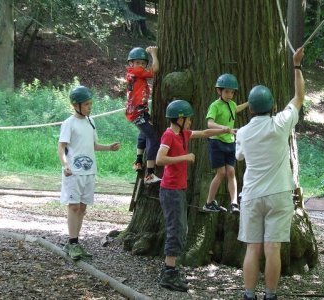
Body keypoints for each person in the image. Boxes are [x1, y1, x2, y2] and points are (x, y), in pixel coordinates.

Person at [235, 47, 305, 300]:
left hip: (252, 195)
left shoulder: (242, 132)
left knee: (252, 248)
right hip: (278, 195)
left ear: (250, 109)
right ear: (273, 105)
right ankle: (271, 295)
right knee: (272, 248)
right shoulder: (281, 123)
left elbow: (239, 156)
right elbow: (299, 97)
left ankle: (249, 295)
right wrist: (296, 66)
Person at [156, 100, 232, 292]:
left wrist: (225, 130)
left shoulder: (183, 134)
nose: (191, 122)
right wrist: (185, 157)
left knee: (181, 229)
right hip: (170, 191)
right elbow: (159, 159)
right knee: (176, 229)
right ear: (179, 118)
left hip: (178, 190)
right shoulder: (169, 135)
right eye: (188, 119)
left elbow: (205, 133)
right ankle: (168, 273)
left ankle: (170, 271)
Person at [58, 85, 120, 260]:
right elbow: (61, 147)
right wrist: (65, 165)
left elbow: (93, 146)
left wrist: (109, 148)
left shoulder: (90, 122)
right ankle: (72, 243)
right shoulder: (68, 123)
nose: (89, 107)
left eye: (90, 104)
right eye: (86, 104)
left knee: (83, 207)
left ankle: (76, 242)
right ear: (75, 105)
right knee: (74, 206)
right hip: (73, 172)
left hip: (89, 171)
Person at [203, 73, 248, 213]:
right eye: (227, 91)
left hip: (230, 143)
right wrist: (224, 129)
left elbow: (237, 108)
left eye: (232, 92)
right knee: (221, 172)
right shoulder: (215, 105)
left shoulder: (232, 104)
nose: (229, 94)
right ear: (219, 91)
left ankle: (234, 203)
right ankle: (209, 202)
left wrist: (249, 103)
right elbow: (209, 124)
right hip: (216, 142)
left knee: (231, 172)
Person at [125, 46, 161, 184]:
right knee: (153, 137)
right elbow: (155, 70)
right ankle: (150, 174)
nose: (140, 65)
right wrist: (153, 54)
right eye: (137, 62)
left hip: (138, 111)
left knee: (144, 134)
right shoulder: (137, 71)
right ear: (131, 64)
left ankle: (139, 161)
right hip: (138, 112)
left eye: (143, 63)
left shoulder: (132, 73)